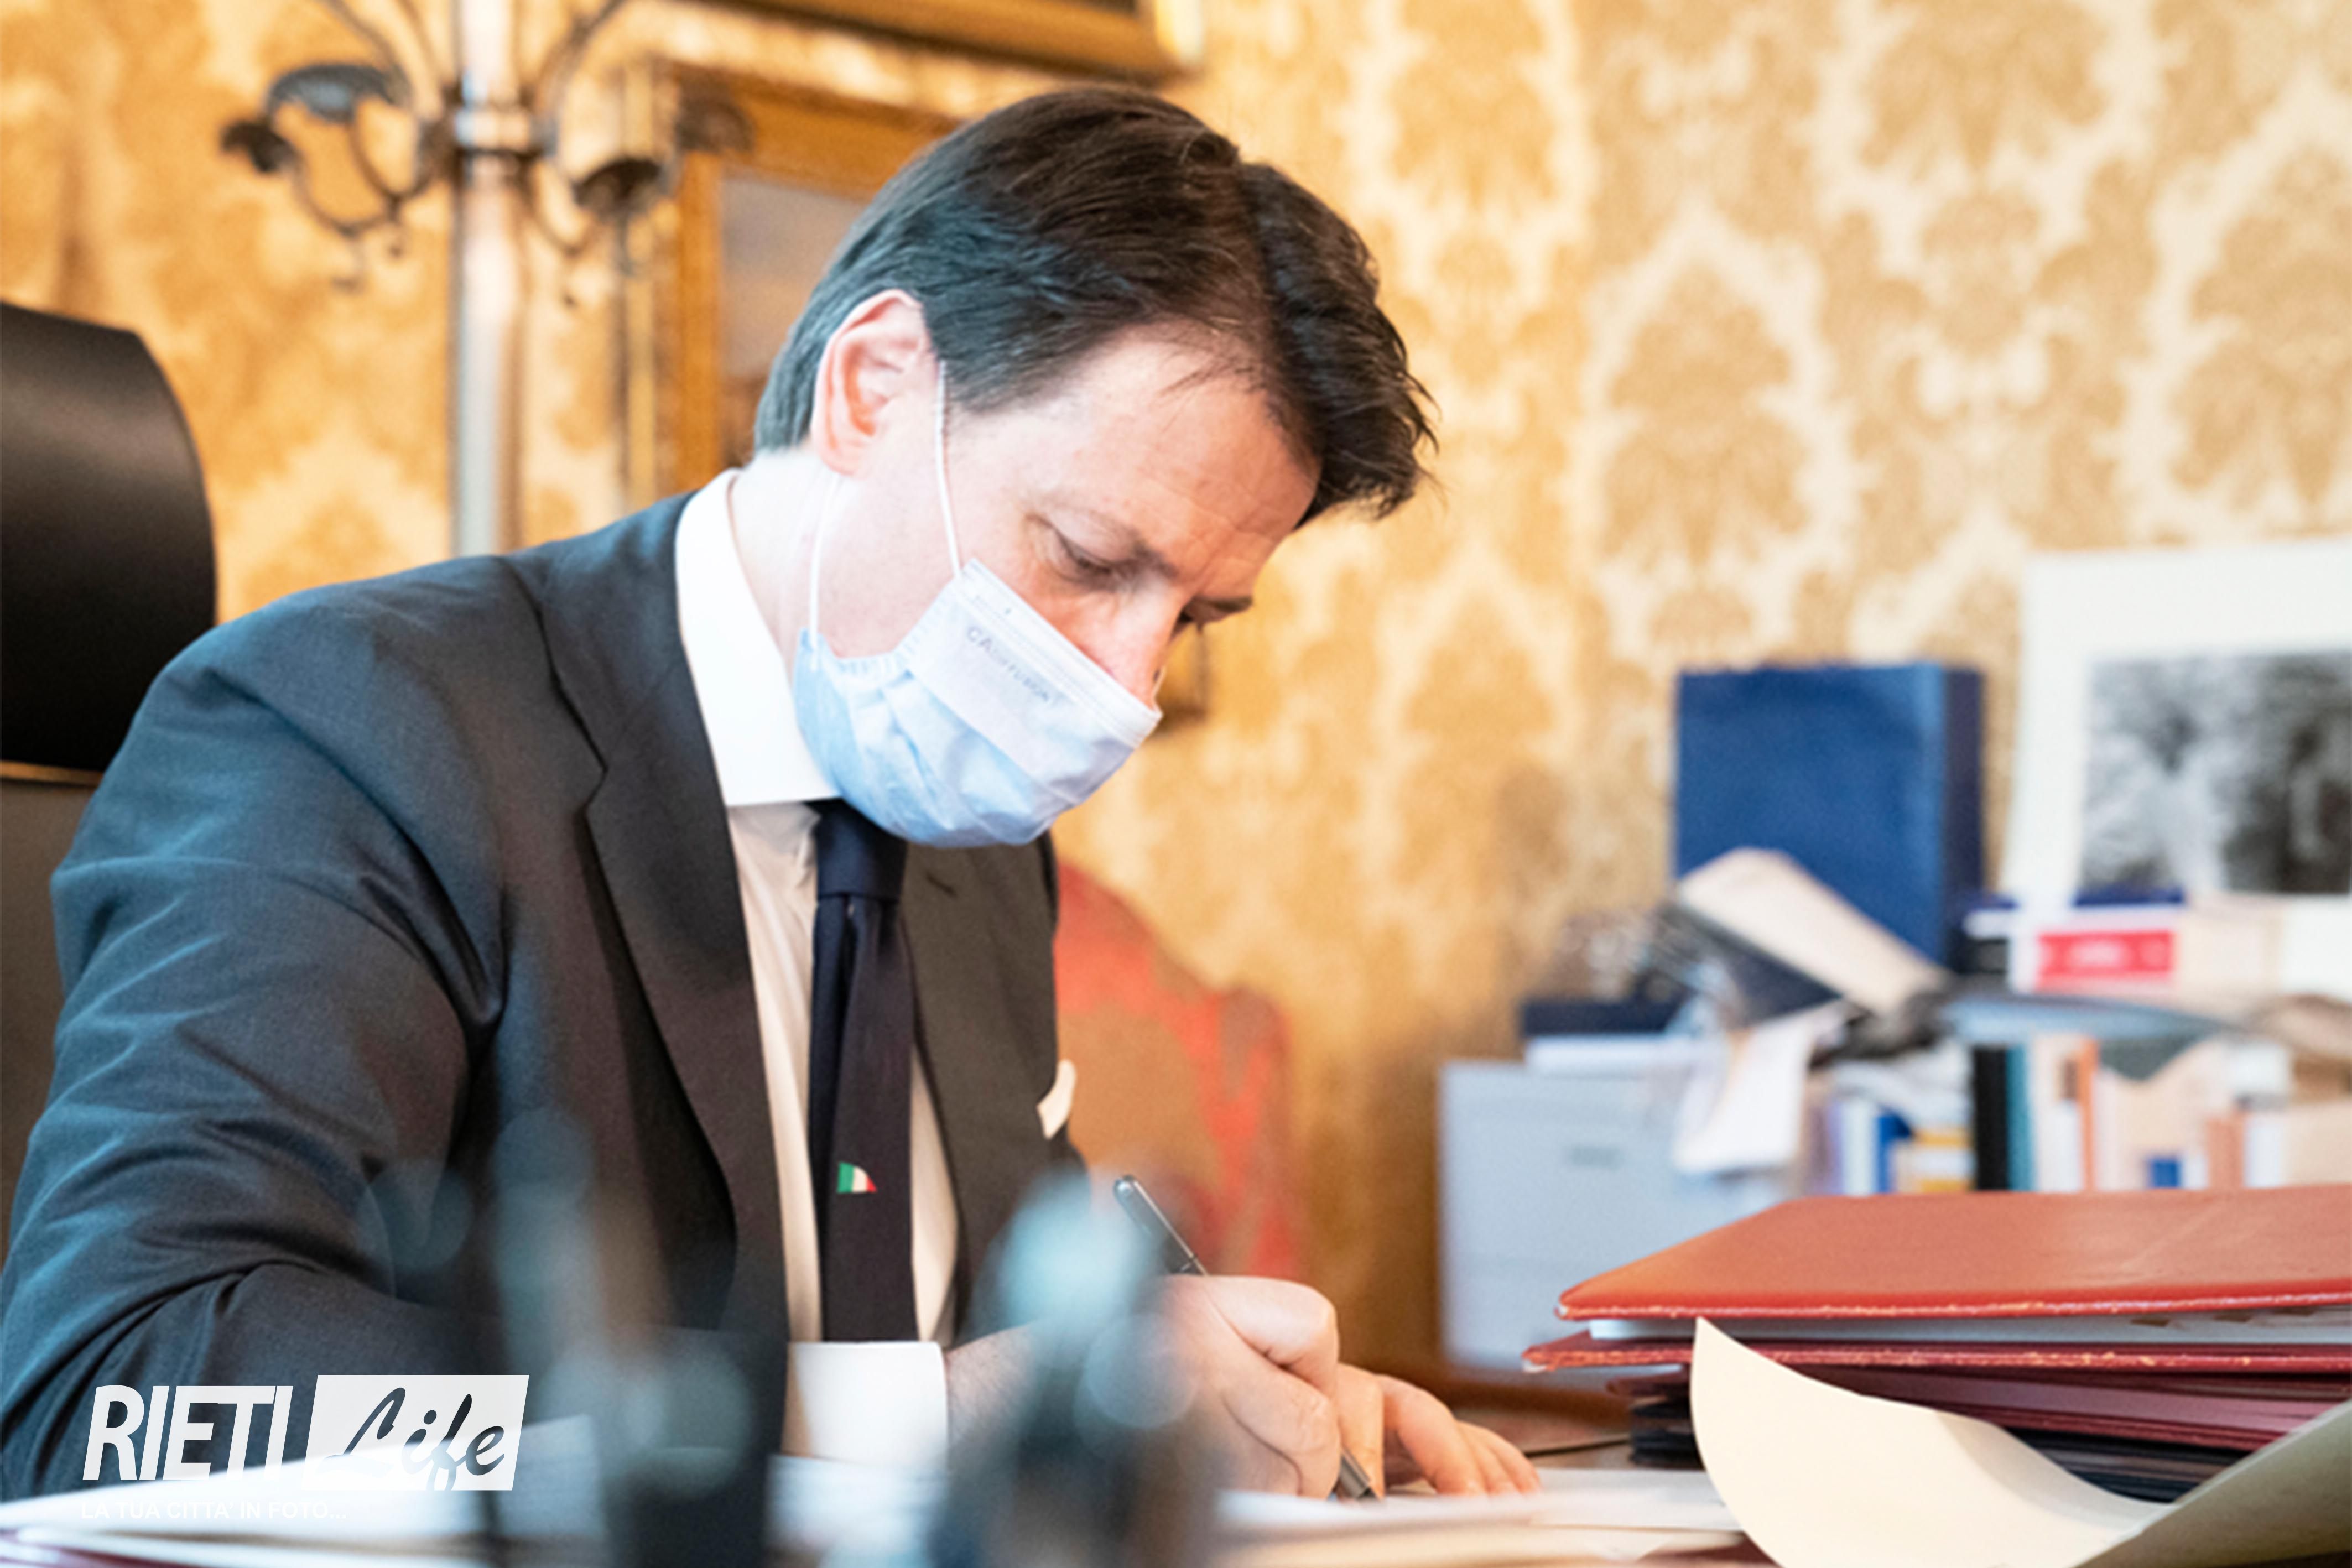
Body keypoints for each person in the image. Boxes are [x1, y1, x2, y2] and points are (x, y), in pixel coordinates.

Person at [0, 88, 1538, 1501]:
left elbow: (1016, 1347)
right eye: (1088, 557)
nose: (1125, 688)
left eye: (1194, 615)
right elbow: (112, 1376)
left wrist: (1214, 1404)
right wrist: (905, 1418)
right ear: (872, 389)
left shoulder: (975, 841)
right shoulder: (361, 726)